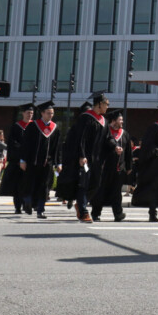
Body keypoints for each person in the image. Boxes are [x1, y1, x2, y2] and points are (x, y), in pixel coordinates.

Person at [57, 92, 109, 223]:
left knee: (96, 184)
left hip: (97, 159)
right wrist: (81, 155)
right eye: (106, 104)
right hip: (85, 158)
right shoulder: (85, 118)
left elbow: (108, 138)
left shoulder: (104, 121)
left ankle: (80, 204)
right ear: (99, 104)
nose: (108, 107)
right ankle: (83, 210)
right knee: (83, 184)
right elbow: (80, 138)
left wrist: (115, 146)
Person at [19, 101, 61, 219]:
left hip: (47, 163)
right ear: (42, 113)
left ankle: (40, 209)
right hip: (32, 162)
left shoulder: (55, 128)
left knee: (44, 187)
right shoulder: (33, 126)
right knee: (30, 184)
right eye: (48, 113)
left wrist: (58, 163)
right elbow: (25, 144)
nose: (50, 115)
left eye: (52, 113)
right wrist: (23, 159)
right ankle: (27, 202)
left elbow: (57, 147)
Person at [90, 109, 131, 222]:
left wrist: (129, 166)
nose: (122, 121)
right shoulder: (104, 133)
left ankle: (118, 214)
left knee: (117, 193)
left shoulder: (125, 134)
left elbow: (128, 152)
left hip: (119, 169)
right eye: (120, 119)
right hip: (104, 168)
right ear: (113, 121)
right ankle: (95, 213)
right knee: (100, 191)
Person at [0, 103, 34, 214]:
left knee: (29, 185)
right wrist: (21, 158)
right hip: (18, 162)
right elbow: (13, 144)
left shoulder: (35, 126)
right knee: (17, 185)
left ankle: (27, 204)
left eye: (32, 113)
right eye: (28, 113)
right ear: (23, 113)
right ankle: (18, 207)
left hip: (31, 161)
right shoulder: (16, 126)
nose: (30, 115)